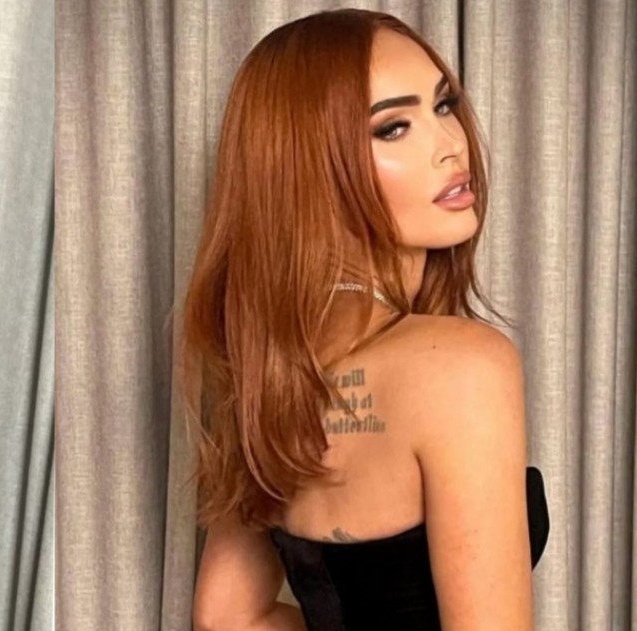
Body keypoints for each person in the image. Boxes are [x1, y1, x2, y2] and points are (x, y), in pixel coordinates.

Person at [181, 9, 548, 631]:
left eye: (444, 105)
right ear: (309, 171)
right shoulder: (463, 366)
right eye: (393, 128)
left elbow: (229, 618)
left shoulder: (272, 372)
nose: (451, 144)